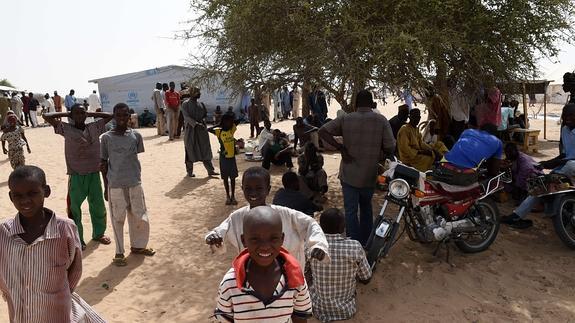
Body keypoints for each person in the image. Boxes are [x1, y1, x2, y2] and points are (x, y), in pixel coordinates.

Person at [0, 166, 106, 322]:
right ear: (10, 197)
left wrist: (55, 293)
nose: (25, 201)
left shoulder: (65, 229)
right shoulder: (3, 233)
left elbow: (74, 270)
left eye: (32, 193)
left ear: (46, 191)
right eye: (18, 195)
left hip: (57, 314)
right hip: (20, 316)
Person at [205, 166, 329, 268]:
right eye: (248, 189)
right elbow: (221, 230)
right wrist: (214, 237)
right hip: (252, 275)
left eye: (259, 189)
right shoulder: (237, 217)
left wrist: (318, 245)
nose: (253, 193)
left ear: (268, 189)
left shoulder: (286, 214)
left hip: (287, 276)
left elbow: (310, 224)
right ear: (242, 189)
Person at [319, 89, 395, 245]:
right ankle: (366, 242)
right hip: (369, 173)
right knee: (366, 208)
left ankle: (353, 241)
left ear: (355, 103)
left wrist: (341, 148)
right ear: (372, 103)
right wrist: (379, 153)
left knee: (351, 211)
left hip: (349, 173)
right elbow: (390, 146)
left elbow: (323, 131)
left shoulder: (346, 119)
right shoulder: (381, 120)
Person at [214, 206, 313, 323]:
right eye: (255, 239)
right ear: (244, 240)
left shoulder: (295, 278)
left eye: (273, 238)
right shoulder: (230, 283)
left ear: (282, 239)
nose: (265, 246)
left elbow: (300, 317)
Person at [43, 104, 113, 249]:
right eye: (77, 114)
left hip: (94, 173)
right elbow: (46, 116)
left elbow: (110, 116)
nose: (80, 116)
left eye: (83, 113)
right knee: (75, 209)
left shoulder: (94, 127)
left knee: (98, 206)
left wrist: (89, 112)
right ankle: (77, 239)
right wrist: (68, 114)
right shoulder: (65, 128)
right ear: (71, 116)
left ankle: (99, 233)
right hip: (76, 174)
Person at [501, 103, 575, 229]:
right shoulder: (565, 130)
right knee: (540, 185)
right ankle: (516, 216)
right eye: (565, 116)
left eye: (571, 116)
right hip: (567, 166)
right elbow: (564, 155)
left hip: (570, 165)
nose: (567, 118)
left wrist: (549, 164)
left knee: (567, 167)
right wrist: (545, 164)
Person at [100, 103, 155, 266]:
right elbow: (103, 164)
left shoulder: (136, 136)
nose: (122, 118)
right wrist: (106, 186)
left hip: (134, 182)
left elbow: (135, 157)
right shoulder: (106, 138)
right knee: (118, 218)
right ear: (114, 117)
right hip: (115, 184)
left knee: (140, 215)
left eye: (125, 115)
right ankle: (119, 252)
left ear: (129, 116)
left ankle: (138, 246)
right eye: (119, 115)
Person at [309, 208, 371, 322]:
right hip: (346, 310)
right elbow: (366, 278)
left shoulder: (312, 247)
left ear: (321, 227)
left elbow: (305, 275)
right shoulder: (354, 247)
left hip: (318, 309)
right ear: (342, 228)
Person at [434, 118, 503, 186]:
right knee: (491, 178)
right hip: (462, 178)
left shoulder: (467, 132)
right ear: (494, 134)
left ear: (479, 129)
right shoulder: (498, 142)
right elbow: (494, 171)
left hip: (441, 171)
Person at [180, 87, 219, 177]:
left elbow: (204, 115)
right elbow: (186, 117)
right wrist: (196, 124)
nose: (200, 94)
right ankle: (189, 172)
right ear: (193, 93)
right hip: (190, 131)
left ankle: (210, 171)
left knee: (205, 150)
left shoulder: (201, 104)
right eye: (198, 92)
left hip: (201, 131)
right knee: (189, 150)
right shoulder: (185, 104)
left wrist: (204, 123)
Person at [208, 113, 239, 205]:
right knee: (225, 178)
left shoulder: (231, 130)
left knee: (233, 178)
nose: (229, 123)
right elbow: (209, 129)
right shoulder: (219, 132)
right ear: (223, 122)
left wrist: (232, 121)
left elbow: (238, 121)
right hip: (224, 158)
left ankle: (233, 196)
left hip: (232, 158)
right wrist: (219, 125)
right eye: (227, 121)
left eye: (230, 121)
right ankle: (227, 196)